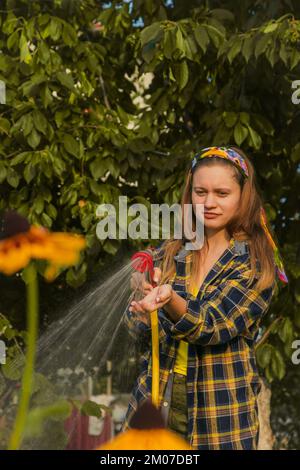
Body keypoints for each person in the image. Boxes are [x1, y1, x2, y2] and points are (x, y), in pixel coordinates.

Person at [121, 146, 288, 450]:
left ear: (243, 196)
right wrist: (142, 312)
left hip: (219, 414)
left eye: (222, 193)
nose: (209, 203)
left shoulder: (255, 264)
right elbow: (136, 332)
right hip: (157, 399)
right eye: (200, 192)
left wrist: (169, 300)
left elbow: (212, 325)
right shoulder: (170, 253)